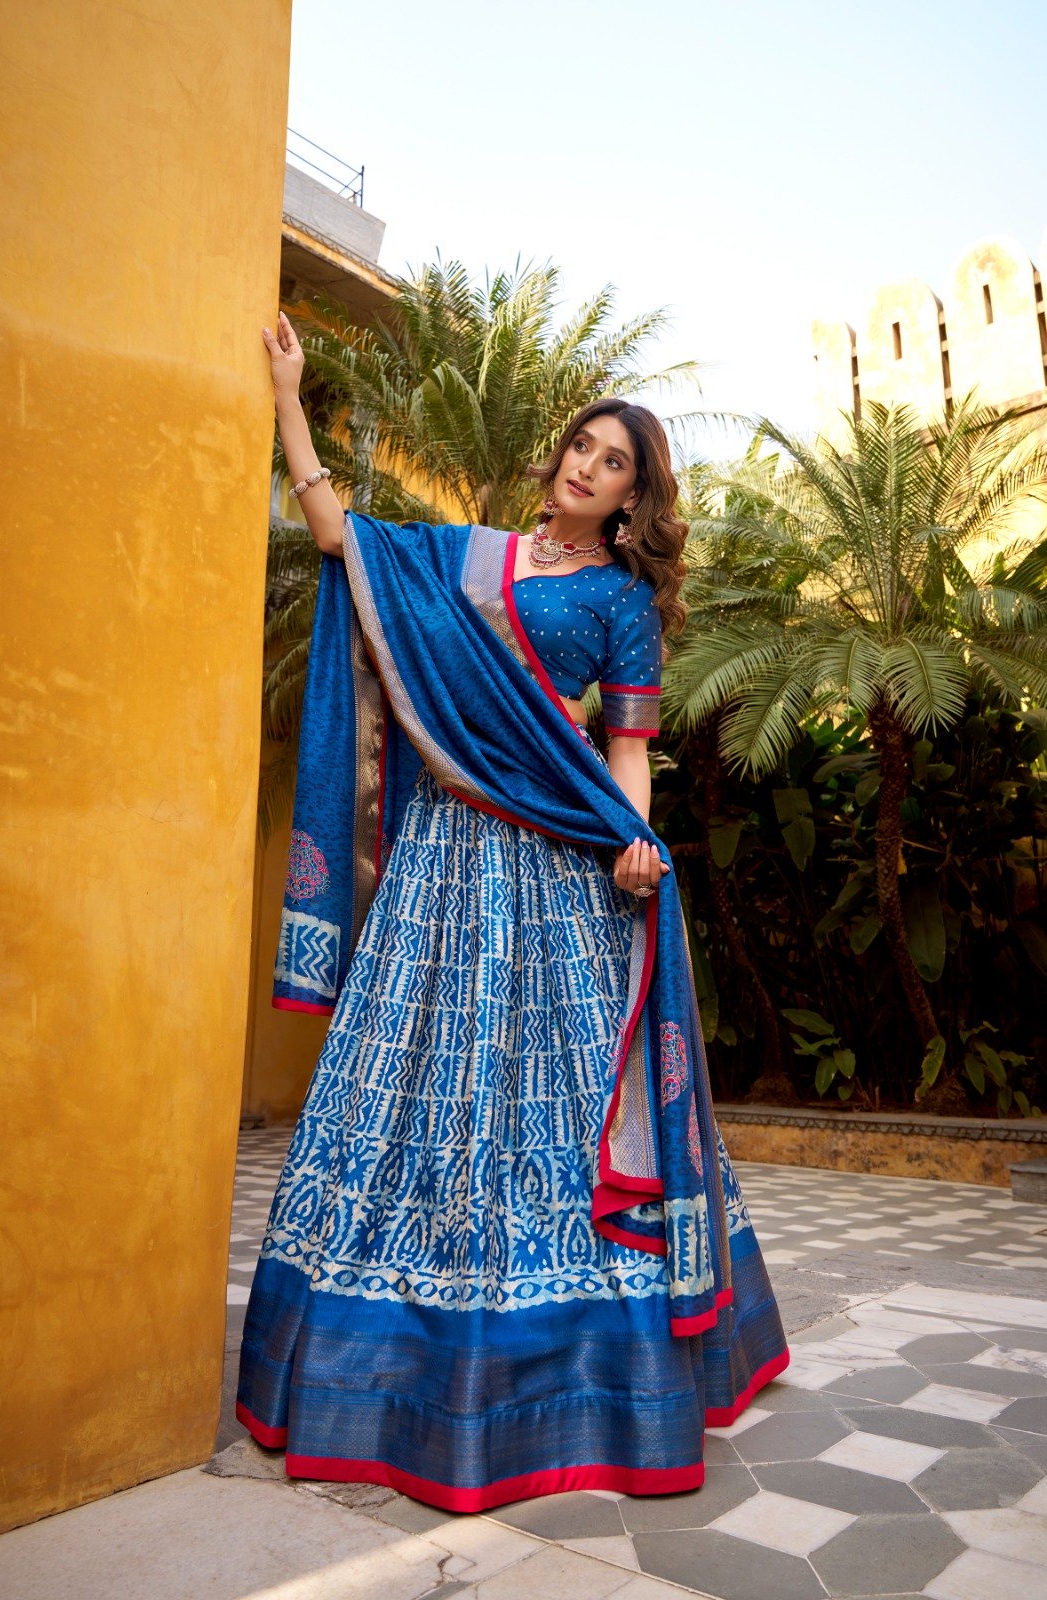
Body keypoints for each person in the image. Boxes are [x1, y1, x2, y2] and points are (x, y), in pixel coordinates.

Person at [235, 309, 789, 1512]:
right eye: (582, 446)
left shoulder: (619, 604)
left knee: (566, 1087)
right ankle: (378, 1345)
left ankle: (587, 1369)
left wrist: (633, 839)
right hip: (439, 859)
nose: (587, 467)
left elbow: (626, 748)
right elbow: (334, 537)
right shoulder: (461, 558)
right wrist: (288, 395)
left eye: (614, 463)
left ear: (633, 501)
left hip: (553, 861)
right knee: (404, 1074)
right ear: (559, 457)